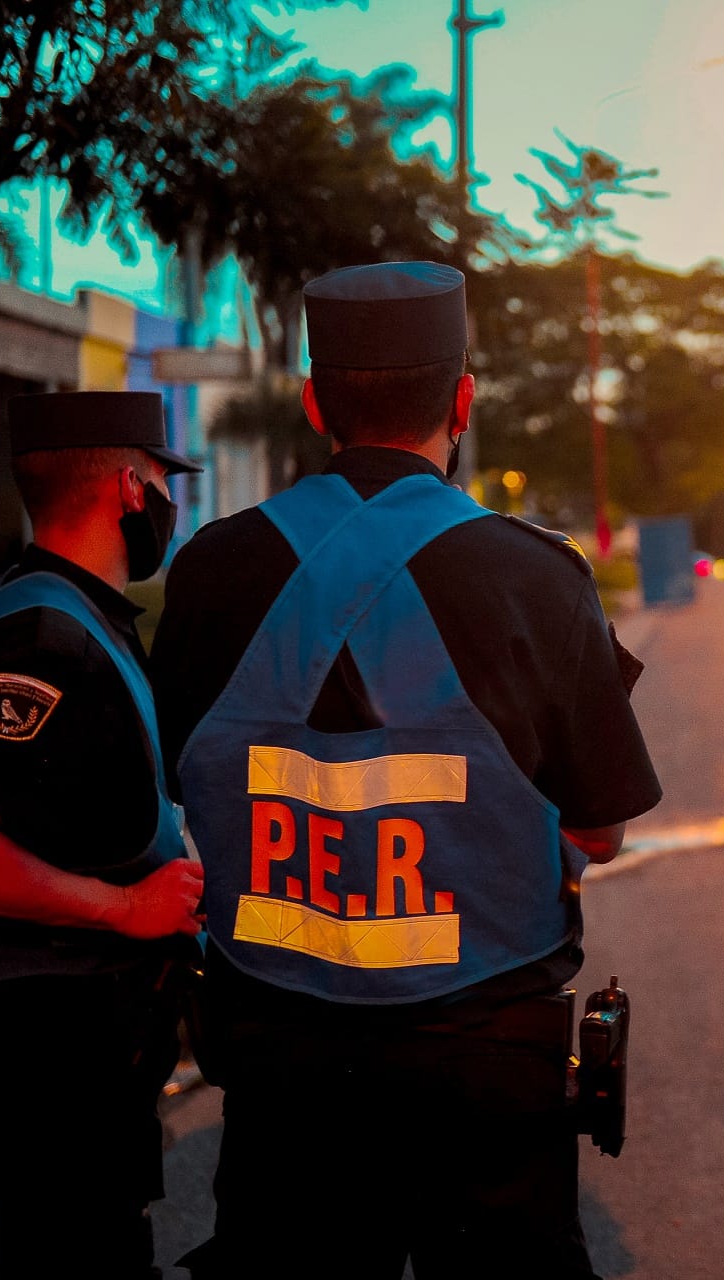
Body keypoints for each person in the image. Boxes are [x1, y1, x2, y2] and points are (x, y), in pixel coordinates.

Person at [151, 260, 661, 1280]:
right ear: (462, 401)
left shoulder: (211, 568)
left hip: (280, 1044)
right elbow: (599, 824)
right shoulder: (538, 575)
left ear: (311, 402)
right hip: (486, 1047)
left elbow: (171, 786)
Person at [0, 390, 206, 1279]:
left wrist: (50, 840)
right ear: (132, 488)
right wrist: (118, 904)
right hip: (39, 1038)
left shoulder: (20, 610)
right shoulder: (44, 639)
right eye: (165, 484)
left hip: (31, 1029)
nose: (169, 506)